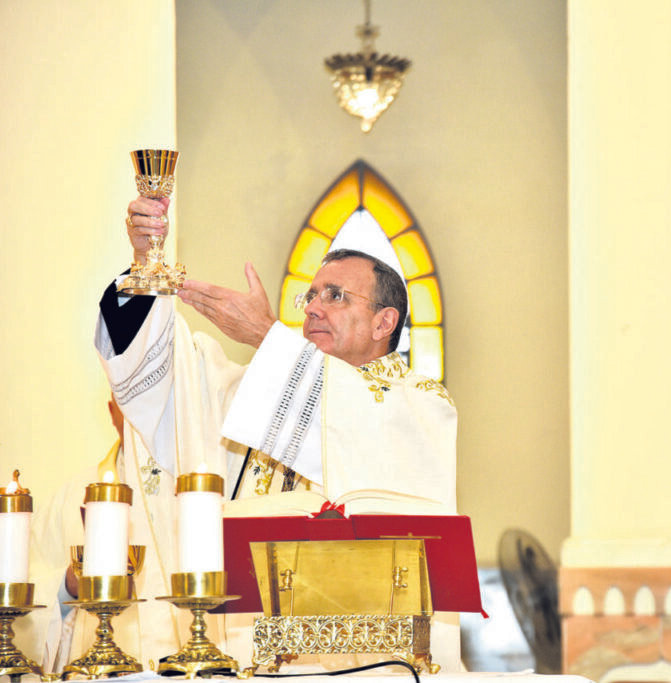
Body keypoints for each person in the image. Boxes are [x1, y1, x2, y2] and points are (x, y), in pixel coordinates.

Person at [31, 194, 460, 672]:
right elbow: (168, 386)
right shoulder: (255, 396)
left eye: (335, 296)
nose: (314, 309)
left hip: (380, 670)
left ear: (385, 321)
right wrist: (146, 267)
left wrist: (265, 336)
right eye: (310, 297)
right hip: (255, 666)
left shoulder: (421, 404)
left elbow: (361, 425)